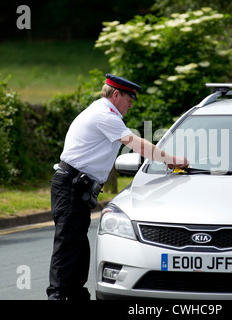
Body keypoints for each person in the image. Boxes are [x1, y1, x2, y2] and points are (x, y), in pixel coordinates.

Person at [46, 74, 188, 300]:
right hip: (71, 185)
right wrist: (171, 159)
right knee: (68, 245)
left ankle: (73, 294)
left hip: (76, 186)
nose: (131, 103)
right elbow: (136, 143)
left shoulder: (104, 113)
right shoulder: (105, 115)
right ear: (115, 95)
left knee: (79, 247)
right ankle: (59, 296)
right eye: (129, 98)